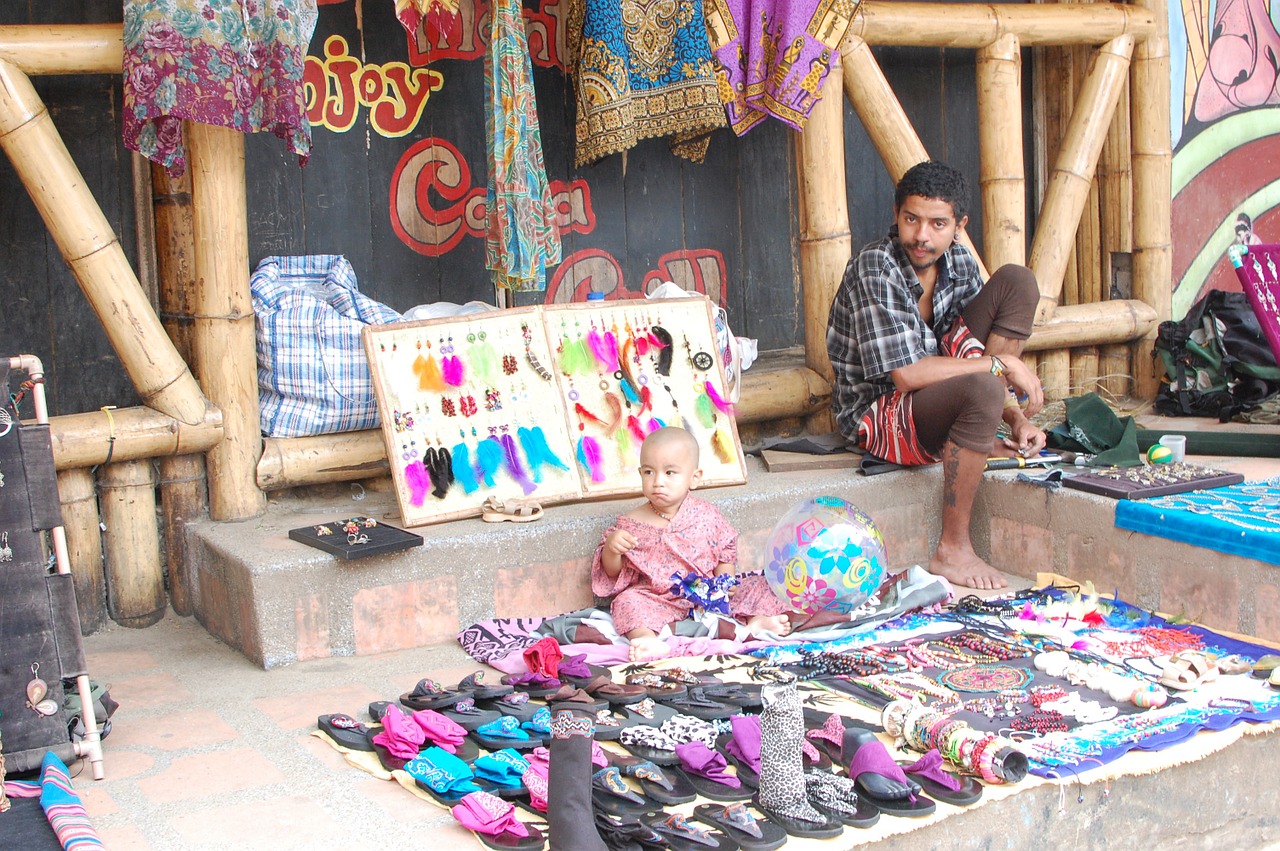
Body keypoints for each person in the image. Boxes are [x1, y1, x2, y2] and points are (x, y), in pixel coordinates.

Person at [826, 161, 1047, 591]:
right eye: (911, 219)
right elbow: (907, 376)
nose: (922, 236)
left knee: (1018, 281)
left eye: (937, 224)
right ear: (896, 214)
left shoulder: (957, 260)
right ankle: (952, 548)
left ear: (959, 226)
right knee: (984, 381)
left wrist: (1016, 419)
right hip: (879, 414)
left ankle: (982, 426)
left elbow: (967, 351)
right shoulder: (877, 266)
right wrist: (1001, 368)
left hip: (939, 394)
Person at [592, 426, 793, 661]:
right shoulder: (632, 523)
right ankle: (648, 640)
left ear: (694, 478)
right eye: (649, 472)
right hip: (659, 599)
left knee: (762, 584)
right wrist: (611, 549)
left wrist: (725, 580)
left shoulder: (705, 515)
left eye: (669, 473)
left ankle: (755, 623)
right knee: (627, 602)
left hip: (707, 595)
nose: (658, 482)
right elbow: (612, 573)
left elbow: (724, 551)